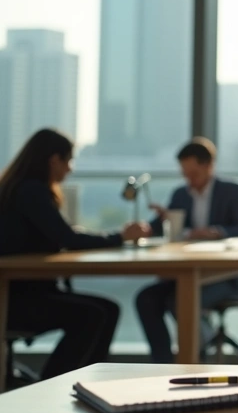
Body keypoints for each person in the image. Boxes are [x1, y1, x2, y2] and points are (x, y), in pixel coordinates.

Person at [0, 129, 148, 379]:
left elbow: (61, 235)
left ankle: (78, 383)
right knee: (95, 315)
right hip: (15, 300)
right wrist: (120, 236)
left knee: (108, 310)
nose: (70, 168)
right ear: (53, 160)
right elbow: (67, 238)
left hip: (23, 292)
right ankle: (52, 386)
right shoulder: (31, 192)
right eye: (68, 160)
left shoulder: (20, 189)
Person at [135, 137, 238, 363]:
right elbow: (158, 227)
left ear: (209, 165)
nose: (189, 180)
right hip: (185, 273)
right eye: (185, 174)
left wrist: (217, 231)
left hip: (224, 276)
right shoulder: (181, 194)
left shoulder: (231, 190)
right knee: (146, 299)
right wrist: (154, 224)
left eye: (194, 174)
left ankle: (196, 358)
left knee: (180, 300)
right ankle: (163, 364)